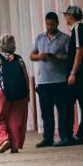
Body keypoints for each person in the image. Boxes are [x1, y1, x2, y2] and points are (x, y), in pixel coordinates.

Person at [30, 11, 71, 148]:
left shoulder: (65, 39)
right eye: (47, 24)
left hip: (59, 81)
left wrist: (56, 58)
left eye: (52, 24)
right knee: (46, 112)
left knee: (62, 110)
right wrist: (40, 56)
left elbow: (69, 57)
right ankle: (48, 138)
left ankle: (64, 136)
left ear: (57, 23)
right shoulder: (40, 38)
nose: (49, 26)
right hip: (43, 82)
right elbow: (32, 55)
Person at [0, 34, 30, 154]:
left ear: (0, 45)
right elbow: (25, 76)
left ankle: (3, 140)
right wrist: (27, 92)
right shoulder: (18, 58)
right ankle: (15, 146)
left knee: (0, 117)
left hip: (1, 92)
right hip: (19, 92)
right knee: (16, 119)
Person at [64, 5, 83, 145]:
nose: (65, 17)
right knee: (82, 104)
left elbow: (79, 51)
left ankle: (70, 136)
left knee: (69, 103)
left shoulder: (77, 29)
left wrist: (73, 73)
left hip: (78, 76)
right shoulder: (79, 30)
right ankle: (78, 134)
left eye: (67, 15)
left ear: (72, 16)